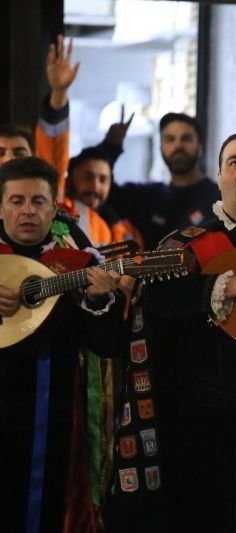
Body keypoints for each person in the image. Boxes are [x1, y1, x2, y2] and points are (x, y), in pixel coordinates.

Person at [112, 132, 236, 533]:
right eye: (234, 162)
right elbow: (157, 301)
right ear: (219, 179)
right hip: (205, 428)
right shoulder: (187, 245)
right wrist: (228, 286)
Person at [0, 156, 123, 533]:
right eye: (17, 201)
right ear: (0, 208)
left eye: (38, 201)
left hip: (50, 415)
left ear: (54, 209)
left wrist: (99, 300)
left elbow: (108, 345)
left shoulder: (78, 263)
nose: (28, 210)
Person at [105, 112, 220, 249]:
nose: (178, 145)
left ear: (200, 146)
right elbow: (102, 194)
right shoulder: (148, 198)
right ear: (161, 148)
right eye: (170, 139)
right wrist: (111, 146)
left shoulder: (220, 198)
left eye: (186, 139)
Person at [1, 34, 79, 197]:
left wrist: (59, 92)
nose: (9, 159)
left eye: (19, 153)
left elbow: (54, 147)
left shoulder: (46, 200)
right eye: (0, 153)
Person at [65, 146, 141, 246]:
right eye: (88, 177)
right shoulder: (57, 212)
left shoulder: (123, 228)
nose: (95, 187)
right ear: (70, 179)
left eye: (102, 180)